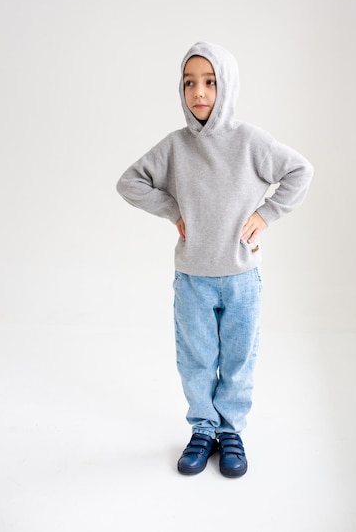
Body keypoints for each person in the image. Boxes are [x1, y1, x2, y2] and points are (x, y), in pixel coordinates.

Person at [117, 42, 313, 478]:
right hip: (192, 277)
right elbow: (129, 182)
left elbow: (300, 170)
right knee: (197, 358)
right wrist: (174, 211)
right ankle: (202, 428)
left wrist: (267, 213)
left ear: (227, 86)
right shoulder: (175, 146)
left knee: (240, 357)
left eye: (210, 82)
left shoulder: (250, 141)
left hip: (242, 276)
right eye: (190, 83)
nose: (199, 92)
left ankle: (231, 432)